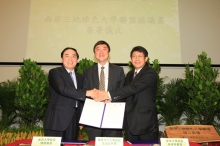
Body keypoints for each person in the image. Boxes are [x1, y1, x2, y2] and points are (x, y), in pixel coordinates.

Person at [93, 46, 159, 141]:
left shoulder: (150, 73)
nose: (137, 59)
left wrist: (108, 94)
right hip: (130, 123)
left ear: (146, 59)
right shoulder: (130, 74)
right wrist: (110, 100)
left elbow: (133, 88)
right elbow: (125, 94)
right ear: (130, 59)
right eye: (134, 56)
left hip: (145, 123)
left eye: (140, 56)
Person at [44, 47, 96, 141]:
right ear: (61, 59)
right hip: (57, 119)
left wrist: (81, 119)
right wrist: (87, 92)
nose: (70, 59)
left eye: (73, 56)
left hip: (74, 120)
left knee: (71, 143)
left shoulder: (80, 77)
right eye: (67, 56)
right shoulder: (55, 72)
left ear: (77, 60)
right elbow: (62, 89)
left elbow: (80, 100)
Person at [83, 40, 125, 140]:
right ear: (94, 54)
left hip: (113, 114)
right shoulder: (88, 72)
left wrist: (111, 98)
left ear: (109, 53)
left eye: (104, 49)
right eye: (98, 49)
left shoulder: (118, 70)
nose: (101, 52)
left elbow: (123, 91)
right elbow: (84, 91)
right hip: (93, 115)